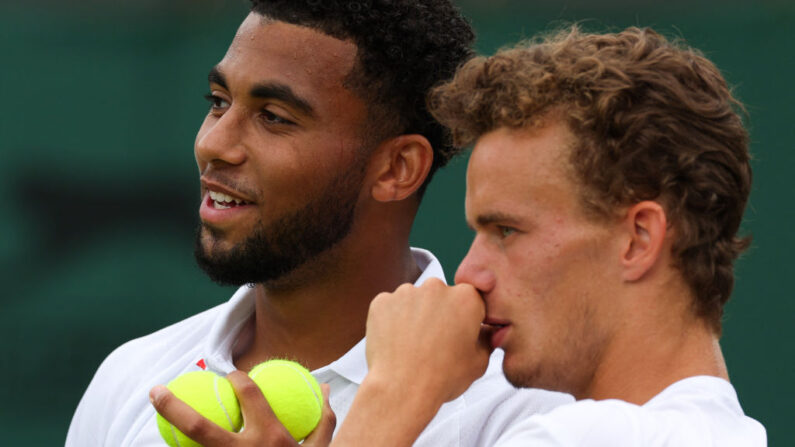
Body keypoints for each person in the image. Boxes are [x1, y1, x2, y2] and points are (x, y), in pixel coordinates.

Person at [65, 1, 573, 446]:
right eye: (219, 102)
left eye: (274, 116)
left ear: (397, 169)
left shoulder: (530, 413)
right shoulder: (130, 377)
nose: (214, 144)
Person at [323, 26, 767, 445]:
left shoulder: (585, 436)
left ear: (638, 238)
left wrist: (396, 389)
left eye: (507, 230)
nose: (469, 273)